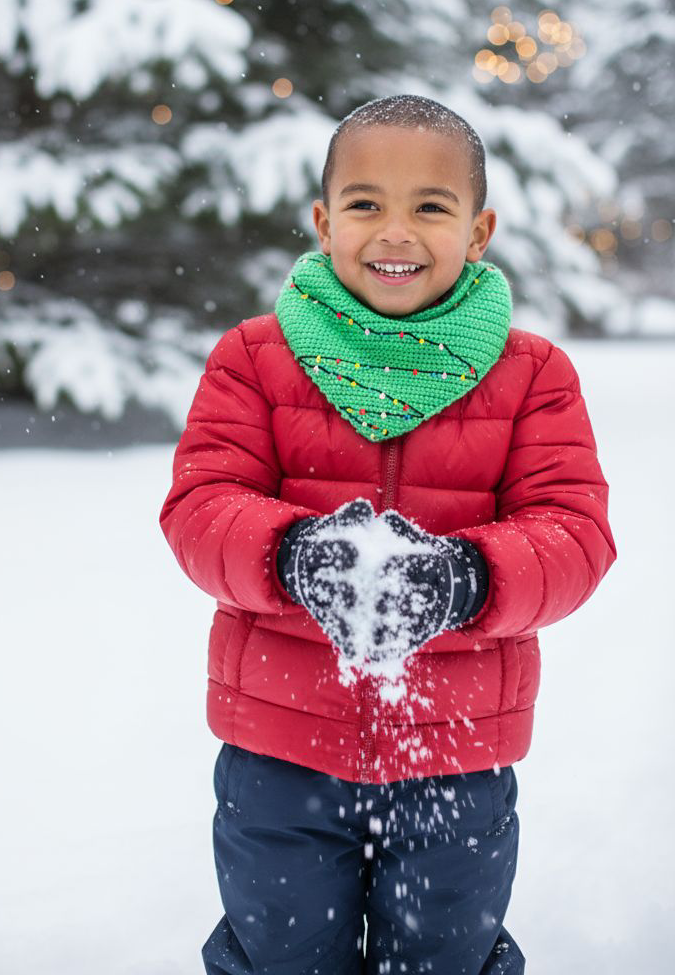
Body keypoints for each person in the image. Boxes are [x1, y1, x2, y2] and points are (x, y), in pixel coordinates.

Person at [159, 93, 616, 974]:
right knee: (281, 956)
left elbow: (575, 532)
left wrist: (468, 577)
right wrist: (292, 555)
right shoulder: (256, 358)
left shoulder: (533, 376)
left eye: (430, 207)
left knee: (443, 957)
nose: (394, 232)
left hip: (457, 756)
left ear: (478, 232)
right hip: (279, 755)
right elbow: (201, 504)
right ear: (324, 222)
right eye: (366, 204)